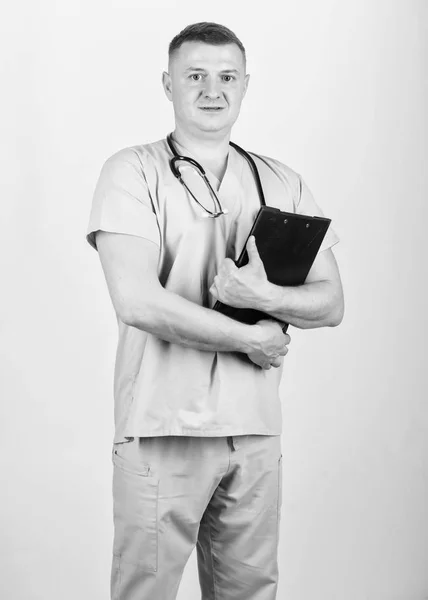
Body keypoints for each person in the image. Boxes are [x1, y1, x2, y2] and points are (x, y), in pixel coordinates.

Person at [86, 21, 344, 600]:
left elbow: (331, 302)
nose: (212, 89)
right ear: (167, 84)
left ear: (246, 84)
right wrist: (250, 336)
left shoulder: (282, 181)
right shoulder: (132, 171)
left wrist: (266, 299)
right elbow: (137, 301)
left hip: (253, 432)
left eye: (227, 76)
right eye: (195, 75)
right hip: (162, 428)